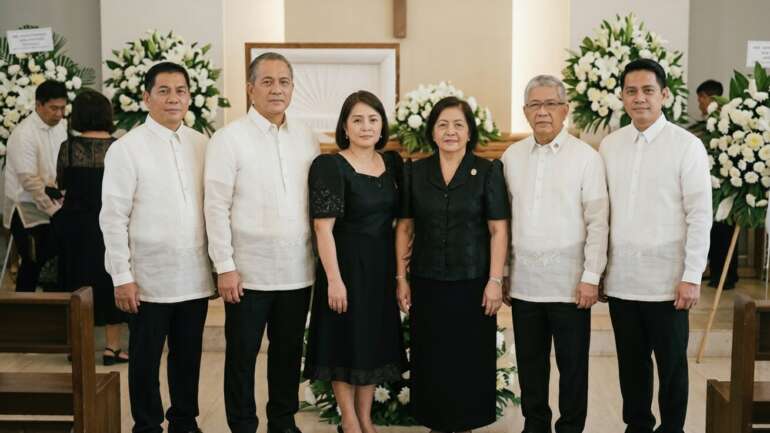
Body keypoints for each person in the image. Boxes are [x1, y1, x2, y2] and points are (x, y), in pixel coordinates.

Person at [204, 52, 319, 433]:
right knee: (242, 354)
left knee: (287, 354)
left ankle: (282, 421)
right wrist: (225, 266)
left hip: (296, 271)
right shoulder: (229, 138)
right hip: (248, 273)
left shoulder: (306, 137)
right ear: (250, 88)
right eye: (267, 81)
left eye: (284, 82)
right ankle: (242, 424)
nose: (276, 89)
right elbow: (216, 206)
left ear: (292, 88)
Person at [100, 62, 214, 433]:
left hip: (193, 274)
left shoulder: (202, 143)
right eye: (163, 91)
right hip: (147, 276)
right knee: (145, 360)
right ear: (146, 97)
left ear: (189, 97)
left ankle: (184, 421)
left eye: (180, 90)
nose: (173, 98)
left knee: (188, 357)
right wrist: (122, 276)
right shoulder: (126, 148)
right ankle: (146, 425)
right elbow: (113, 217)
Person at [599, 59, 712, 433]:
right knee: (631, 365)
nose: (639, 98)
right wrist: (598, 270)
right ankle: (638, 427)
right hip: (622, 281)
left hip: (668, 282)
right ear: (622, 96)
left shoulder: (687, 146)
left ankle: (673, 429)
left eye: (648, 90)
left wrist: (691, 275)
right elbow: (602, 214)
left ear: (664, 94)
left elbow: (700, 216)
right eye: (631, 91)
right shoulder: (610, 146)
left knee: (672, 367)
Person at [501, 75, 609, 433]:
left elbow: (598, 222)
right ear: (525, 112)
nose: (542, 112)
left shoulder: (586, 158)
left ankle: (571, 427)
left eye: (550, 104)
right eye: (535, 105)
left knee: (572, 365)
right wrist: (503, 271)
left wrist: (591, 277)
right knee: (530, 365)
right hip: (525, 283)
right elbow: (502, 222)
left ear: (565, 110)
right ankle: (535, 425)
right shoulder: (511, 157)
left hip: (570, 284)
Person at [395, 96, 510, 433]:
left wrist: (495, 280)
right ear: (432, 132)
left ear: (470, 131)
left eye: (458, 124)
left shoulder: (488, 170)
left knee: (468, 359)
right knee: (432, 356)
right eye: (443, 124)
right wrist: (401, 277)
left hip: (473, 282)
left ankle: (466, 424)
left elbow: (498, 228)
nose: (450, 131)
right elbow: (404, 227)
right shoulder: (415, 171)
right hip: (427, 280)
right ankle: (435, 422)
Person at [303, 90, 406, 433]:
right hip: (344, 266)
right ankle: (348, 419)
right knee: (344, 342)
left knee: (371, 343)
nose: (366, 126)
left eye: (373, 119)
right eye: (357, 120)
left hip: (380, 267)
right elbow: (322, 227)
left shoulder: (392, 163)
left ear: (382, 126)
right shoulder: (329, 165)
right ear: (345, 127)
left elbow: (403, 221)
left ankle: (365, 417)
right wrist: (334, 278)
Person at [54, 90, 128, 365]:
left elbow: (61, 183)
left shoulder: (69, 147)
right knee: (110, 281)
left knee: (77, 282)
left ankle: (77, 347)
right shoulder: (118, 147)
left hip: (75, 224)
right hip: (108, 224)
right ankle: (112, 348)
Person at [4, 80, 67, 292]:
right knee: (33, 260)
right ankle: (25, 313)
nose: (59, 114)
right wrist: (54, 210)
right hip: (25, 207)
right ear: (38, 105)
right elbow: (29, 181)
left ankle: (55, 309)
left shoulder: (61, 127)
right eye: (53, 108)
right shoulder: (24, 134)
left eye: (62, 108)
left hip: (53, 201)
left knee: (60, 257)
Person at [692, 80, 738, 290]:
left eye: (700, 98)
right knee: (715, 231)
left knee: (722, 231)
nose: (699, 103)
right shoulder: (708, 123)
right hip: (710, 186)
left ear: (709, 98)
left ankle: (725, 275)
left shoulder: (726, 123)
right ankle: (718, 272)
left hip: (723, 187)